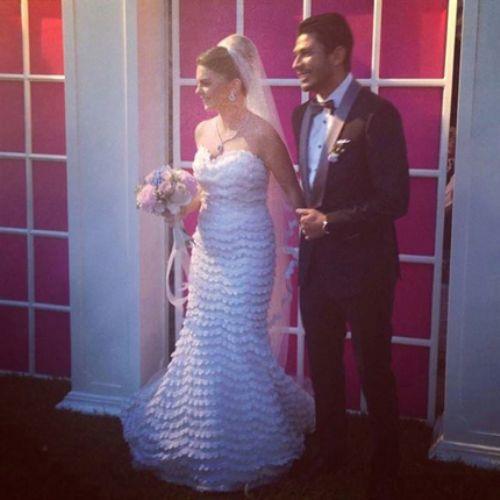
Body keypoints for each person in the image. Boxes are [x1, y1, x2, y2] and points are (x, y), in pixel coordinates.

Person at [120, 34, 314, 492]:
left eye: (205, 82)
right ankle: (195, 430)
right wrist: (173, 204)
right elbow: (203, 195)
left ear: (234, 85)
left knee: (241, 338)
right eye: (197, 82)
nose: (198, 90)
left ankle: (250, 438)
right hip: (209, 248)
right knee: (204, 337)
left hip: (249, 250)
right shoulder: (203, 132)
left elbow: (293, 193)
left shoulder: (263, 134)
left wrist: (320, 226)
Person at [291, 13, 409, 500]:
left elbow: (395, 200)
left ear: (337, 55)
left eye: (306, 53)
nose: (295, 62)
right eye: (296, 54)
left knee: (373, 367)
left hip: (365, 269)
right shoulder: (301, 115)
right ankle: (331, 451)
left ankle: (387, 465)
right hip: (316, 266)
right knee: (323, 364)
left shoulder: (377, 114)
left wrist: (331, 222)